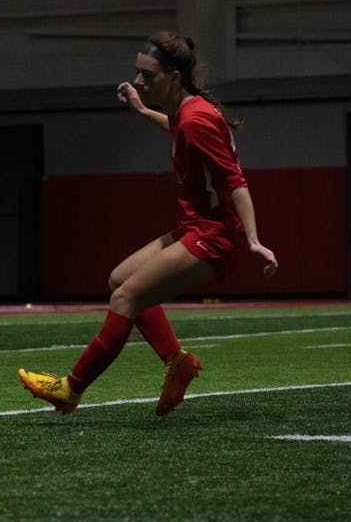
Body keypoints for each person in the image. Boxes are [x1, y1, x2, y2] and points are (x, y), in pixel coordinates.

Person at [18, 31, 278, 417]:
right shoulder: (187, 113)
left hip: (214, 236)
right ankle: (177, 362)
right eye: (138, 72)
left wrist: (254, 240)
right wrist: (141, 111)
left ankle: (70, 389)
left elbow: (236, 183)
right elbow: (176, 126)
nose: (140, 81)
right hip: (196, 227)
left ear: (173, 77)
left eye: (148, 75)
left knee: (125, 299)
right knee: (119, 280)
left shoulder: (196, 120)